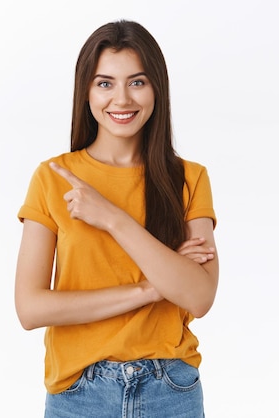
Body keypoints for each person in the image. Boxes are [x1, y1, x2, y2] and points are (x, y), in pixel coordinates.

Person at [14, 20, 218, 417]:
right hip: (79, 393)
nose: (121, 99)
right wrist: (151, 289)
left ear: (157, 87)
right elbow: (31, 307)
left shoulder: (189, 178)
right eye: (105, 83)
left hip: (170, 390)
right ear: (86, 91)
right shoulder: (52, 177)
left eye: (137, 82)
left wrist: (111, 217)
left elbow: (199, 296)